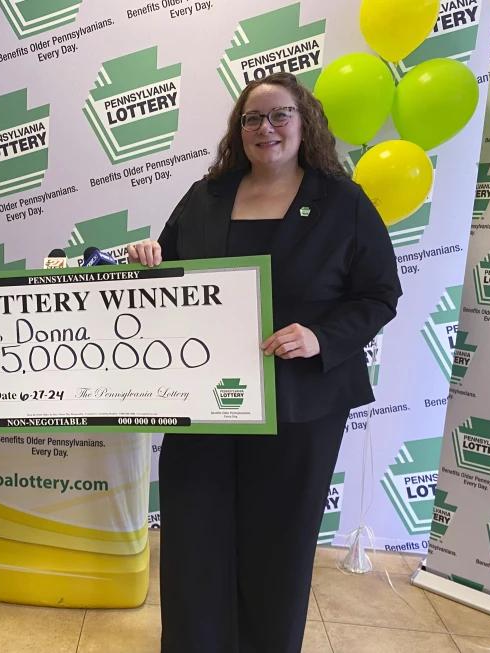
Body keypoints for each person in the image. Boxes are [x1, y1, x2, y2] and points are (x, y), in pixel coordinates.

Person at [128, 72, 402, 653]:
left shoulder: (343, 202)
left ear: (305, 123)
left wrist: (321, 336)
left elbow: (379, 295)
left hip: (300, 401)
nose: (265, 128)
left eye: (280, 115)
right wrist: (148, 259)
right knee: (194, 536)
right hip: (204, 400)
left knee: (279, 542)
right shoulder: (206, 196)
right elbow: (170, 278)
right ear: (239, 130)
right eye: (252, 118)